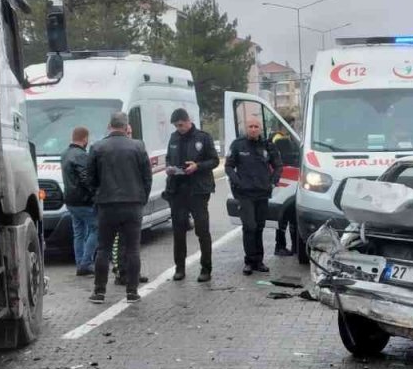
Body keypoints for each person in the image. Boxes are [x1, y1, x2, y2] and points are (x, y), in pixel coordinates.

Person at [86, 112, 150, 304]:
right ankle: (132, 291)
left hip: (107, 204)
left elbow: (90, 178)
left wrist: (98, 195)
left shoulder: (97, 147)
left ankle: (99, 291)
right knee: (132, 249)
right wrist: (142, 198)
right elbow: (147, 177)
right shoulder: (138, 146)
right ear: (126, 126)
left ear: (110, 125)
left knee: (103, 248)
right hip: (132, 203)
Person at [163, 108, 219, 282]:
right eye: (176, 126)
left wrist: (198, 166)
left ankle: (206, 268)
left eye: (181, 125)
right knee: (178, 231)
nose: (179, 128)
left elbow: (215, 160)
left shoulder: (203, 137)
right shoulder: (173, 137)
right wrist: (170, 168)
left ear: (188, 121)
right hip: (177, 190)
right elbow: (168, 157)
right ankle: (179, 268)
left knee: (202, 230)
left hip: (198, 190)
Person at [226, 117, 282, 274]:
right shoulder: (238, 145)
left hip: (262, 193)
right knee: (249, 226)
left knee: (259, 227)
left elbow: (278, 165)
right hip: (245, 194)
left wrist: (273, 181)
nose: (253, 129)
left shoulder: (268, 145)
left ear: (260, 129)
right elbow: (229, 166)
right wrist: (237, 182)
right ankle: (249, 261)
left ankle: (259, 261)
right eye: (250, 126)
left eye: (256, 126)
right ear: (246, 128)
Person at [61, 126, 96, 276]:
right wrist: (95, 194)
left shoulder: (65, 153)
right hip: (84, 201)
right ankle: (86, 264)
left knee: (79, 233)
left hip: (70, 201)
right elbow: (86, 179)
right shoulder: (81, 155)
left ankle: (80, 262)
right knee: (97, 229)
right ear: (85, 139)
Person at [271, 118, 300, 256]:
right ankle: (281, 246)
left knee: (290, 216)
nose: (293, 127)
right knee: (285, 217)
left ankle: (294, 246)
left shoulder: (287, 138)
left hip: (289, 179)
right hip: (285, 180)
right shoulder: (279, 139)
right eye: (291, 125)